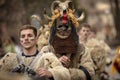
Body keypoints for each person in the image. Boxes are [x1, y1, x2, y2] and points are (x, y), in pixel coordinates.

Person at [0, 25, 70, 80]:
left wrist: (51, 73)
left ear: (36, 39)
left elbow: (65, 74)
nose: (26, 38)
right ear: (20, 40)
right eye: (23, 36)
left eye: (29, 35)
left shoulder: (47, 57)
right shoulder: (9, 59)